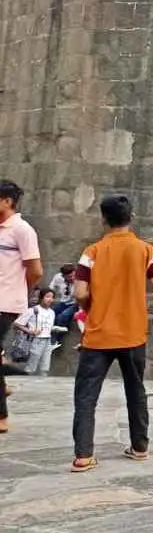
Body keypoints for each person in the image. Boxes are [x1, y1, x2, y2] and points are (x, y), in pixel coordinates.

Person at [70, 194, 153, 472]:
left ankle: (83, 455)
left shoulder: (92, 251)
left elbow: (80, 292)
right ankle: (140, 446)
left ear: (103, 219)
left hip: (98, 335)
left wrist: (90, 306)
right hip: (133, 333)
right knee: (136, 390)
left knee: (86, 395)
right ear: (131, 217)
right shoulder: (146, 250)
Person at [0, 179, 44, 433]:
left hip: (8, 301)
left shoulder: (22, 229)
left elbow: (35, 269)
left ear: (8, 201)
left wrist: (20, 290)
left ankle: (2, 417)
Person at [17, 289, 57, 375]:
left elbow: (48, 326)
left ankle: (44, 384)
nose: (50, 299)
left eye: (52, 297)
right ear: (41, 298)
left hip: (48, 340)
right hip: (36, 340)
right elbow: (17, 324)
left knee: (45, 365)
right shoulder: (33, 310)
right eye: (47, 296)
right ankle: (27, 382)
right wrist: (30, 331)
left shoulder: (52, 312)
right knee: (32, 365)